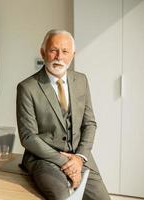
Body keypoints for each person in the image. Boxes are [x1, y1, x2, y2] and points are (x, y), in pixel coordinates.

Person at [16, 29, 110, 200]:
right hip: (43, 158)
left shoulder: (81, 80)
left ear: (72, 55)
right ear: (43, 52)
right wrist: (65, 162)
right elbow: (28, 136)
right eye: (53, 50)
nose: (59, 56)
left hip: (79, 156)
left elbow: (89, 124)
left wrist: (80, 158)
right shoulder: (27, 87)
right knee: (62, 197)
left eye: (65, 51)